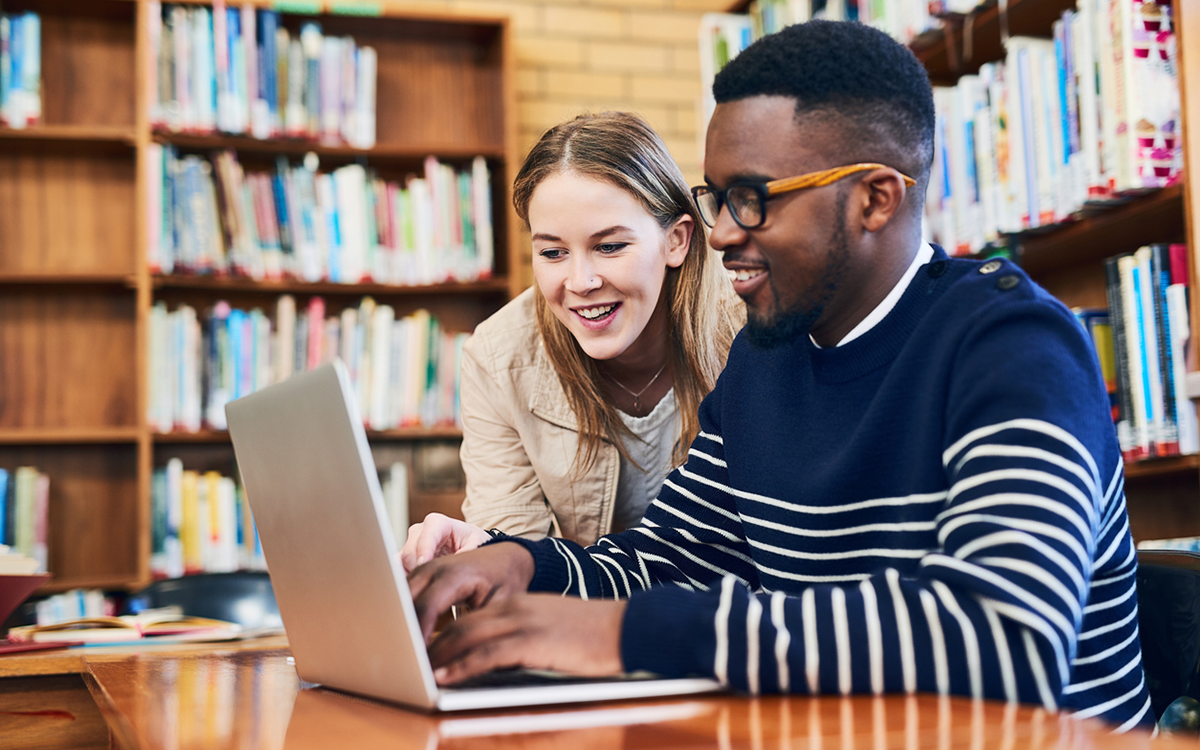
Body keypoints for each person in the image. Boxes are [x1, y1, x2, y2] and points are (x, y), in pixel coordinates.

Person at [407, 20, 1152, 731]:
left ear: (875, 198)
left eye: (752, 199)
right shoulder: (766, 360)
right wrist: (516, 564)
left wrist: (628, 634)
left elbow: (1002, 640)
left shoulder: (1015, 346)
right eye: (716, 197)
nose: (723, 233)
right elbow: (666, 563)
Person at [400, 112, 742, 571]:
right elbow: (515, 567)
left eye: (610, 246)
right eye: (553, 253)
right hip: (586, 621)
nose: (579, 282)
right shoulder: (500, 357)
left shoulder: (749, 327)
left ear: (676, 241)